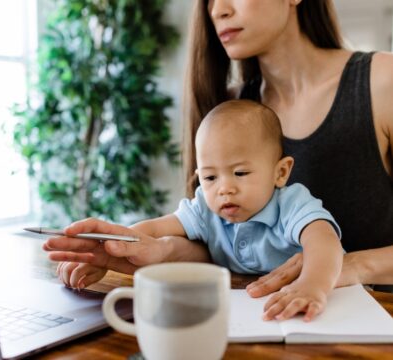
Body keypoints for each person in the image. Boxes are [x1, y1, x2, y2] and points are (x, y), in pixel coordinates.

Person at [44, 0, 393, 300]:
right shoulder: (230, 111)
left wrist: (348, 266)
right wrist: (144, 249)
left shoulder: (383, 81)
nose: (218, 11)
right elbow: (220, 243)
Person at [53, 100, 344, 321]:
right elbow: (155, 229)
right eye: (210, 177)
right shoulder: (206, 205)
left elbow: (324, 241)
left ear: (280, 172)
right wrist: (110, 249)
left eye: (240, 173)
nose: (224, 188)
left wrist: (311, 285)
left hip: (319, 301)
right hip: (240, 307)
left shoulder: (291, 202)